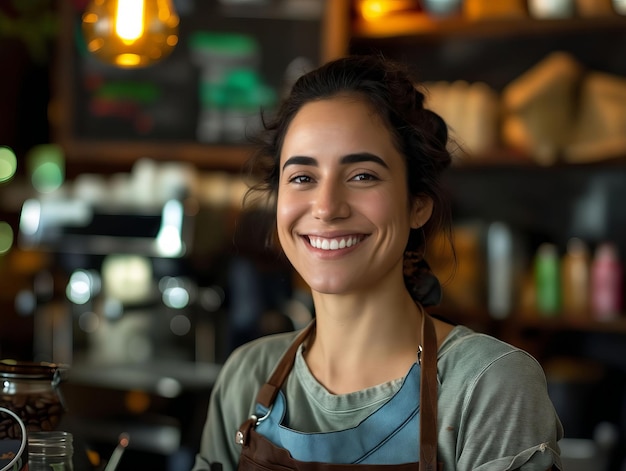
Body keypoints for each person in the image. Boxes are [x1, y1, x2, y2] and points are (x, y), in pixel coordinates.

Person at [192, 54, 563, 471]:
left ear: (417, 204)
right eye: (302, 178)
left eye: (362, 175)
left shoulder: (488, 386)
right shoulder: (246, 375)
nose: (327, 207)